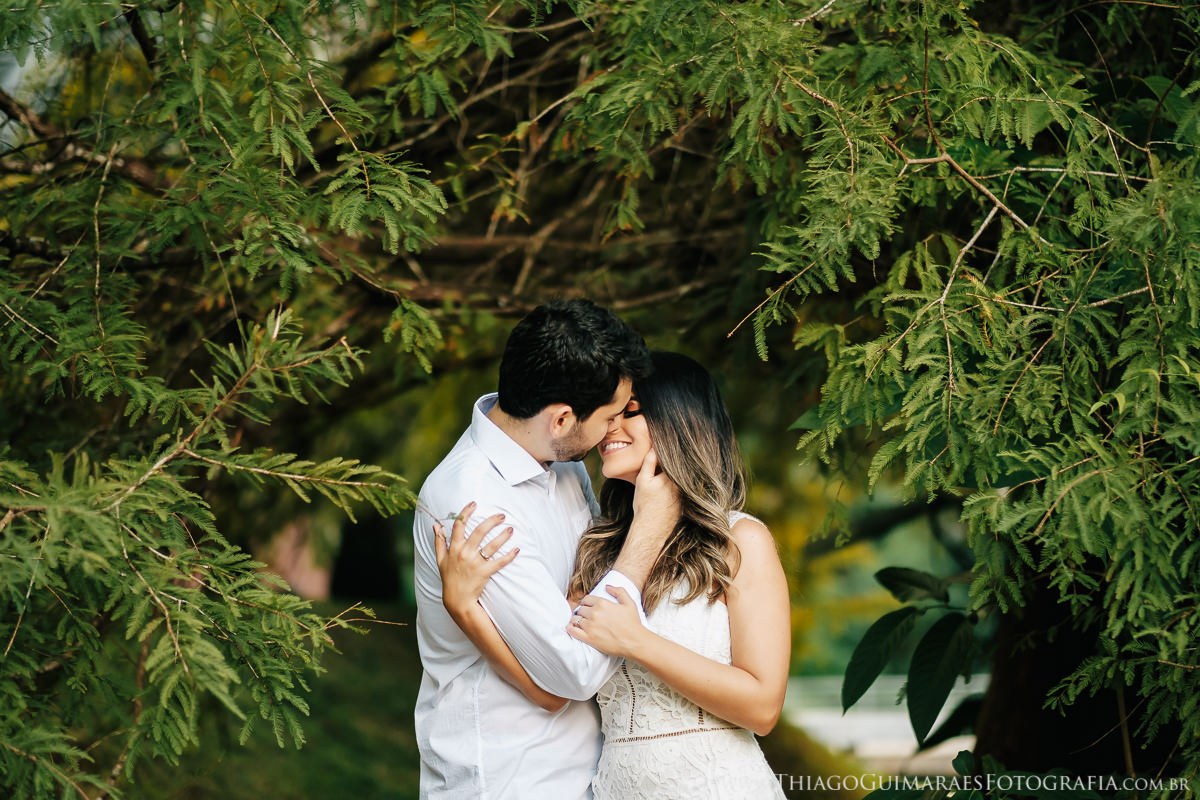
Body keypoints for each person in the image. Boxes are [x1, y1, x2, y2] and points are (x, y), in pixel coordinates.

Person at [437, 351, 791, 799]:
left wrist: (637, 641)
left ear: (682, 423)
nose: (610, 428)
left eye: (632, 413)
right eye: (610, 415)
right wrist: (465, 610)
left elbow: (762, 709)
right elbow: (556, 690)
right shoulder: (600, 549)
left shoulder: (739, 541)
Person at [412, 299, 680, 800]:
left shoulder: (562, 465)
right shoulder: (472, 506)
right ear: (560, 419)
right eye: (610, 416)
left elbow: (586, 594)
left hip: (589, 773)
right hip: (508, 778)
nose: (615, 429)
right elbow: (574, 671)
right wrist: (649, 532)